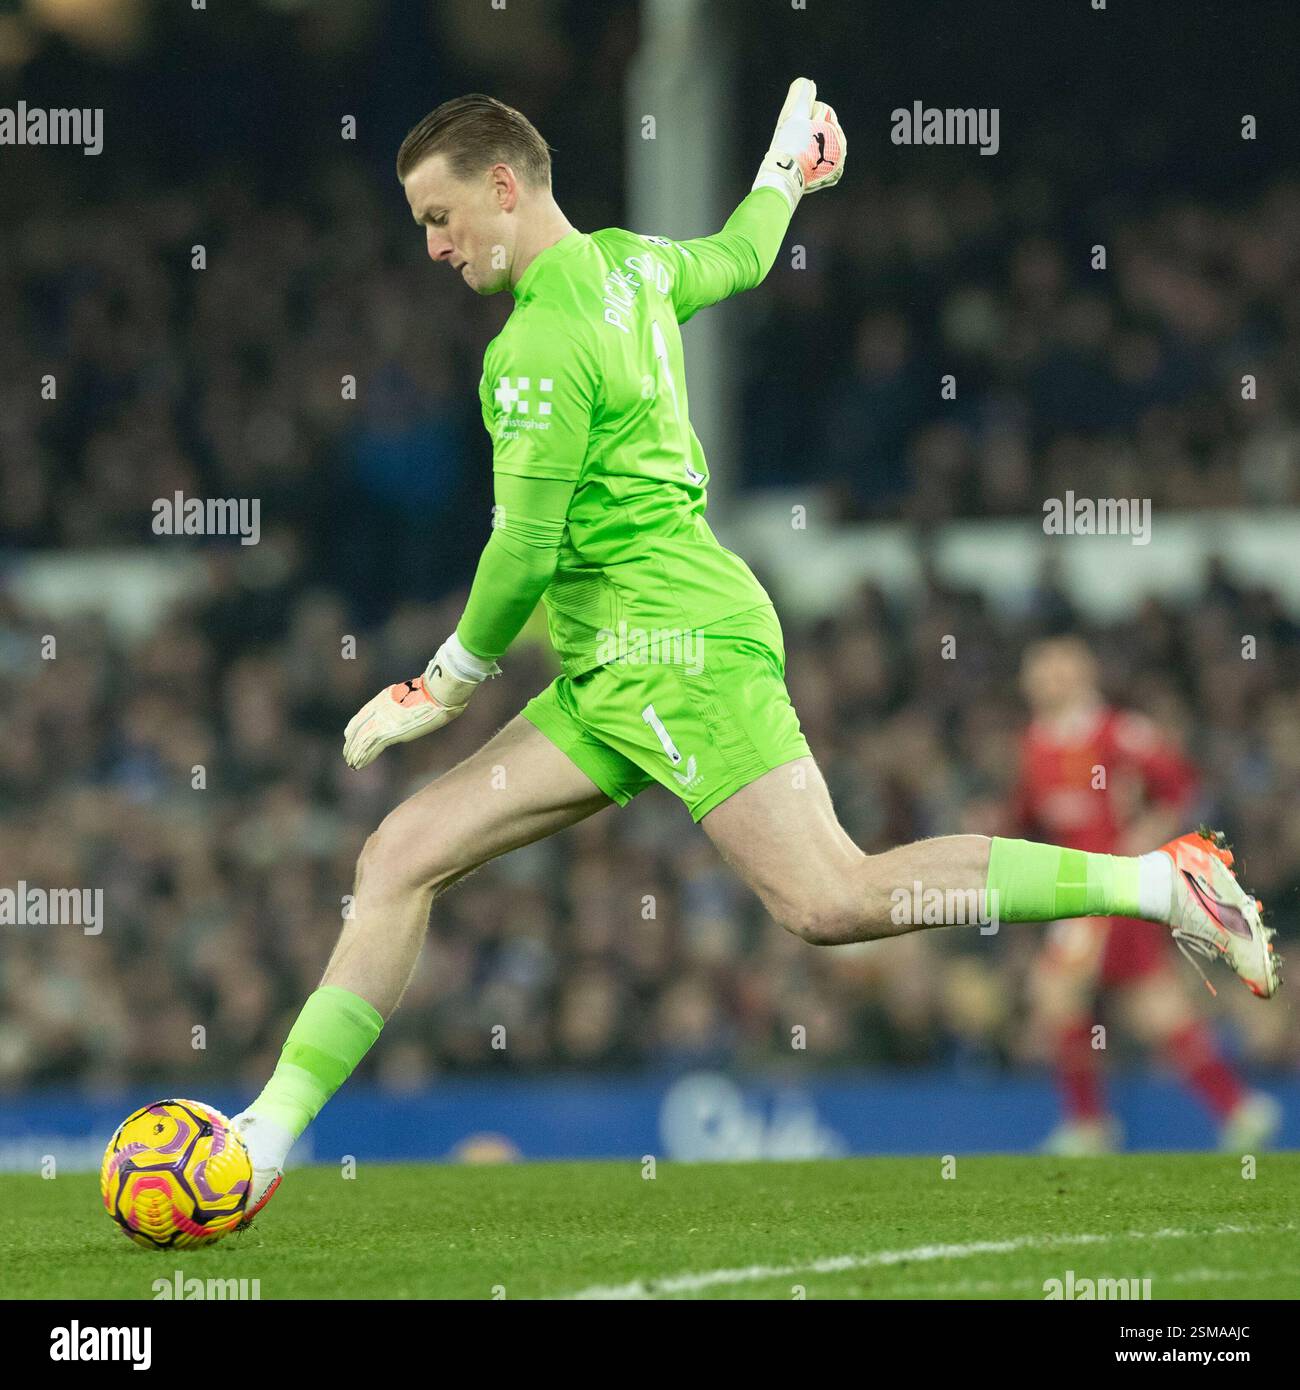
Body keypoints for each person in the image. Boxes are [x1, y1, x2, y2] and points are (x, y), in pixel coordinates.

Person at [231, 82, 1277, 1218]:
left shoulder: (535, 343)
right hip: (609, 671)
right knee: (399, 852)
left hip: (674, 653)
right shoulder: (629, 266)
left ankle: (1157, 881)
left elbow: (522, 549)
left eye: (439, 218)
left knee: (831, 899)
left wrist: (443, 682)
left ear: (501, 185)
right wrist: (785, 175)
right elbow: (736, 257)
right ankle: (265, 1138)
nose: (432, 246)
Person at [1013, 637, 1280, 1153]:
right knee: (1150, 1006)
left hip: (1115, 886)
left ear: (1083, 675)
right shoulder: (1034, 744)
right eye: (1040, 672)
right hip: (1075, 888)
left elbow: (1180, 786)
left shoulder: (1121, 733)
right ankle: (1239, 1108)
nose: (1048, 681)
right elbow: (1031, 817)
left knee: (1056, 991)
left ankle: (1089, 1125)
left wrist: (1145, 836)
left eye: (1059, 670)